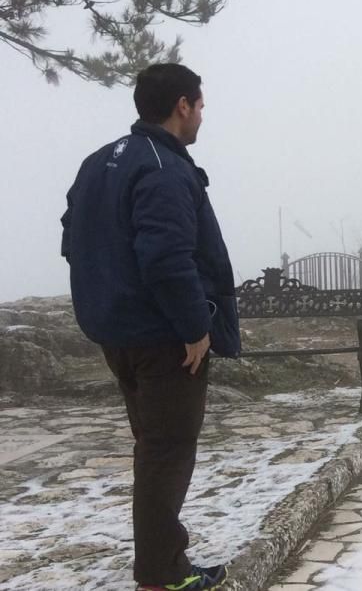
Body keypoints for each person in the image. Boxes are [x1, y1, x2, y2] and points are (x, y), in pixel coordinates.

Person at [61, 63, 240, 591]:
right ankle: (161, 576)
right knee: (167, 451)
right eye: (200, 105)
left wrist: (105, 299)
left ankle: (165, 561)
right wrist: (194, 327)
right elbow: (166, 256)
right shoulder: (163, 166)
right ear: (182, 105)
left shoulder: (101, 161)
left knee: (154, 448)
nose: (203, 114)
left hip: (118, 333)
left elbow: (74, 239)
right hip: (164, 339)